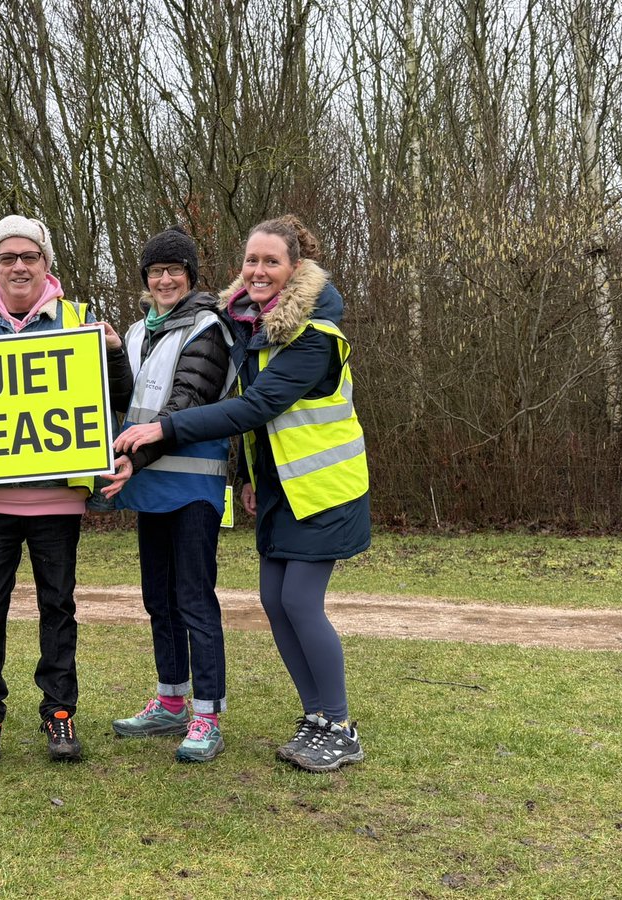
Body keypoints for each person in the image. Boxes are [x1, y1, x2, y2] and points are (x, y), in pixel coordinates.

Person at [114, 215, 370, 773]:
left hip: (324, 491)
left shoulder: (312, 337)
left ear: (295, 269)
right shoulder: (255, 329)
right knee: (276, 605)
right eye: (251, 260)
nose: (258, 270)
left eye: (270, 261)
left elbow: (257, 407)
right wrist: (249, 477)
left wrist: (165, 429)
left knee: (300, 603)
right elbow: (260, 426)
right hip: (280, 490)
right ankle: (315, 717)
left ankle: (340, 726)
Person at [0, 214, 132, 766]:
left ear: (47, 263)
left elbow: (116, 398)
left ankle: (59, 712)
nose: (19, 265)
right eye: (8, 257)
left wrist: (117, 351)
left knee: (58, 607)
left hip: (58, 501)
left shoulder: (78, 319)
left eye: (30, 256)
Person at [100, 226, 236, 763]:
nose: (164, 279)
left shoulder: (209, 328)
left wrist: (134, 458)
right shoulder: (135, 331)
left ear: (191, 276)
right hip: (148, 481)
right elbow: (123, 399)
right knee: (158, 598)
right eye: (155, 270)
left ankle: (207, 714)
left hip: (193, 483)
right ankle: (171, 700)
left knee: (194, 601)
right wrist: (112, 353)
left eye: (174, 269)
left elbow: (184, 403)